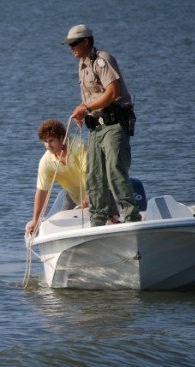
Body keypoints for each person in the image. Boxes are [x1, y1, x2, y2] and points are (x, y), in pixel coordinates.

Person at [65, 24, 141, 226]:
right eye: (69, 44)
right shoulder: (82, 66)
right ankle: (97, 220)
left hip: (114, 125)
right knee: (94, 174)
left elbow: (112, 92)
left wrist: (87, 108)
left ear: (86, 42)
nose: (71, 47)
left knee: (114, 169)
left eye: (74, 43)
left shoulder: (101, 60)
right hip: (95, 128)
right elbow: (94, 96)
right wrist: (81, 110)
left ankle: (131, 216)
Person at [25, 119, 88, 236]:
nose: (48, 145)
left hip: (98, 191)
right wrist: (35, 220)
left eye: (51, 141)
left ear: (62, 138)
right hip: (74, 196)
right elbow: (42, 191)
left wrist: (89, 195)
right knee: (63, 199)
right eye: (45, 141)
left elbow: (91, 173)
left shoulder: (78, 146)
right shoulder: (46, 161)